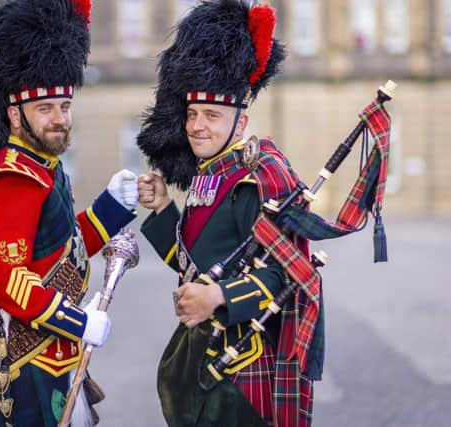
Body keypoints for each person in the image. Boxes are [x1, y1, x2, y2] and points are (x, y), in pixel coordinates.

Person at [0, 1, 138, 426]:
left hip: (48, 350)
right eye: (46, 109)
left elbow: (62, 249)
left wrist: (111, 209)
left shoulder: (44, 166)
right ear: (15, 115)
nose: (59, 119)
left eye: (64, 106)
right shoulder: (12, 179)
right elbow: (10, 282)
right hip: (16, 364)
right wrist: (78, 321)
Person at [137, 1, 324, 426]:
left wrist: (219, 297)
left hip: (242, 371)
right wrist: (165, 209)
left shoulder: (259, 177)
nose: (197, 126)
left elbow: (290, 274)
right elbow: (195, 266)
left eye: (212, 115)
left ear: (240, 123)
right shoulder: (212, 174)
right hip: (201, 359)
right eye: (192, 114)